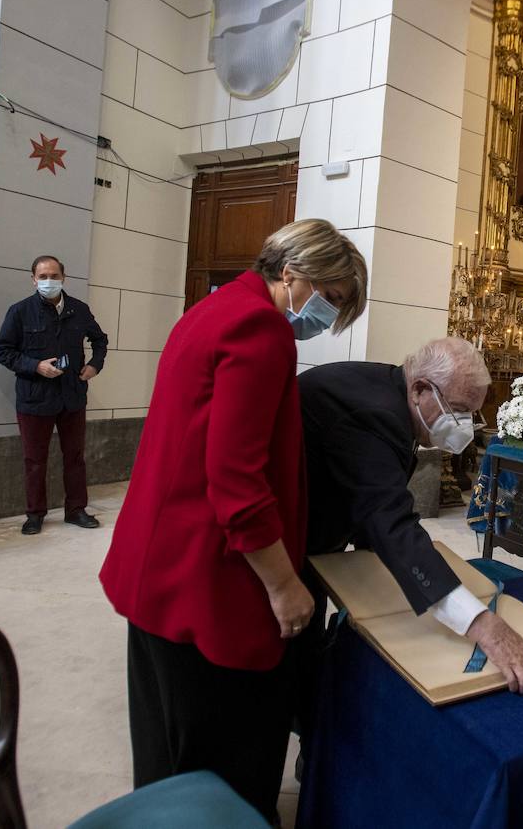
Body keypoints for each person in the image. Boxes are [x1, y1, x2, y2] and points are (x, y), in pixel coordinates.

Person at [99, 219, 367, 824]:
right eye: (334, 299)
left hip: (158, 567)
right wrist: (283, 584)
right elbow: (236, 481)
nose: (328, 317)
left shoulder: (212, 309)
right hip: (207, 578)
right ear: (293, 274)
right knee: (226, 763)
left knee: (166, 753)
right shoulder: (261, 329)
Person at [297, 337, 523, 700]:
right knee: (291, 676)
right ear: (420, 389)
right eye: (458, 409)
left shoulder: (392, 394)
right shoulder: (375, 413)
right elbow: (389, 521)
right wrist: (483, 627)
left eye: (472, 414)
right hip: (273, 558)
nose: (464, 424)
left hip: (315, 540)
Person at [0, 255, 108, 535]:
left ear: (63, 278)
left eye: (54, 276)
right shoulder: (19, 311)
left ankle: (76, 509)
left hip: (72, 396)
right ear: (33, 279)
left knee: (75, 456)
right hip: (35, 397)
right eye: (42, 277)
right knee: (34, 459)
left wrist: (94, 365)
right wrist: (35, 366)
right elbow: (2, 350)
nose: (48, 281)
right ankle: (35, 514)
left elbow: (99, 340)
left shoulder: (79, 310)